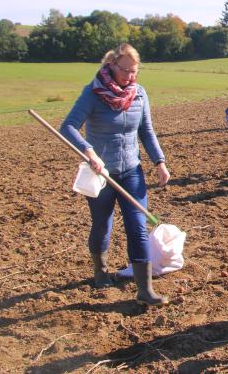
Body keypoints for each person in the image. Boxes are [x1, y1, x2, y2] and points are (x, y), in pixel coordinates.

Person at [60, 43, 170, 306]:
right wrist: (90, 153)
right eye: (126, 71)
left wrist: (160, 161)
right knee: (102, 224)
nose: (131, 76)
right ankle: (100, 269)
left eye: (135, 71)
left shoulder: (139, 94)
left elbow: (146, 131)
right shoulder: (93, 93)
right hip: (101, 174)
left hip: (132, 170)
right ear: (111, 65)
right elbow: (68, 126)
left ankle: (145, 290)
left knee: (138, 226)